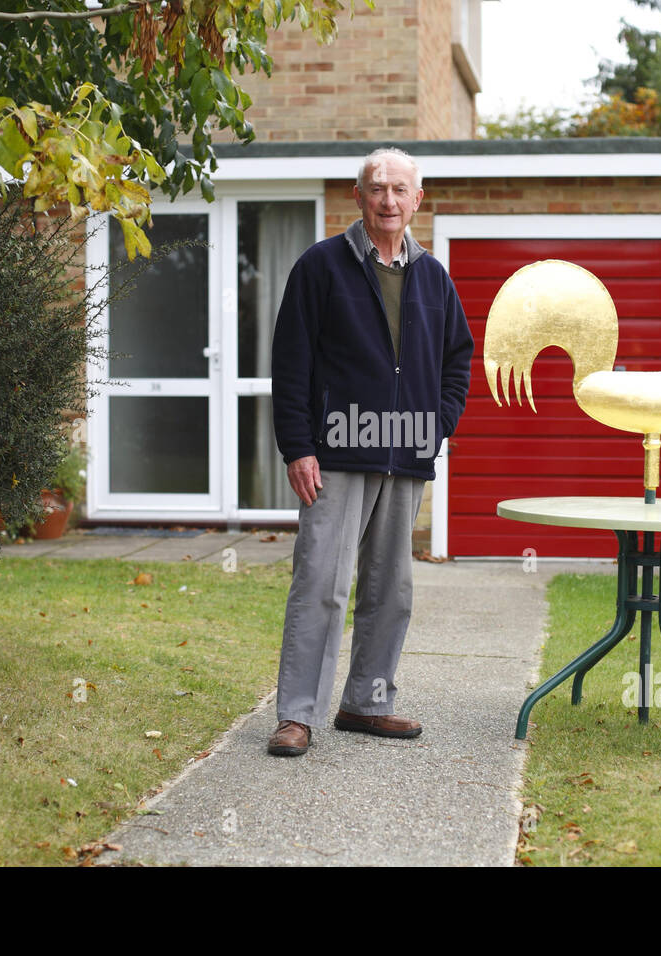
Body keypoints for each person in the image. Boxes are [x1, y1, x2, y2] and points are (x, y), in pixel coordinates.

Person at [267, 147, 473, 756]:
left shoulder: (433, 276)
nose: (388, 200)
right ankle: (297, 715)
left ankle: (367, 703)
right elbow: (292, 362)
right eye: (376, 188)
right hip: (335, 453)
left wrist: (436, 426)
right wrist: (298, 446)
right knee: (321, 583)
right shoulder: (321, 266)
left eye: (399, 190)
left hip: (404, 454)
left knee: (391, 589)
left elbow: (456, 360)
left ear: (417, 201)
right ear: (357, 197)